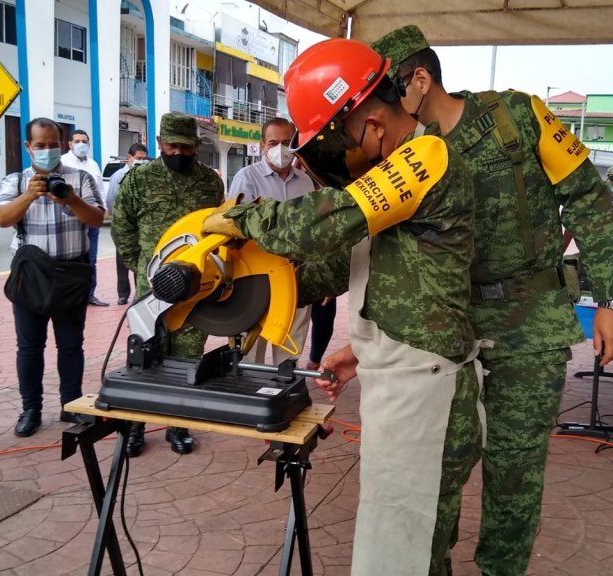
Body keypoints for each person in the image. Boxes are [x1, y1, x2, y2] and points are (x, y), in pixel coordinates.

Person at [201, 38, 482, 576]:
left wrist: (239, 219)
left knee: (397, 551)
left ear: (372, 124)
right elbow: (341, 268)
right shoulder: (391, 183)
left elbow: (322, 222)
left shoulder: (428, 156)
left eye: (337, 143)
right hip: (404, 376)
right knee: (410, 545)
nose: (336, 161)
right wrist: (248, 292)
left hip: (425, 388)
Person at [371, 25, 613, 576]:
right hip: (447, 328)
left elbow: (587, 200)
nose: (382, 110)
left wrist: (611, 300)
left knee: (515, 471)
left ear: (420, 80)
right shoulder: (405, 153)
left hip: (529, 325)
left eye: (388, 93)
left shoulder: (518, 115)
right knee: (437, 465)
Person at [112, 112, 224, 457]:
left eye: (186, 147)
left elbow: (217, 228)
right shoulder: (139, 179)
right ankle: (134, 428)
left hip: (197, 286)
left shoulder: (210, 182)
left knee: (188, 357)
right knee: (145, 354)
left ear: (196, 145)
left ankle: (178, 425)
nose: (178, 153)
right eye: (172, 146)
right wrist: (140, 265)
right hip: (152, 286)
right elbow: (122, 226)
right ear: (159, 143)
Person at [0, 117, 106, 437]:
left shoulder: (81, 178)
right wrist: (29, 196)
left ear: (62, 145)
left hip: (71, 274)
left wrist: (71, 199)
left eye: (52, 144)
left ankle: (71, 404)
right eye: (40, 145)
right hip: (31, 277)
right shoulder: (16, 181)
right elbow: (2, 218)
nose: (47, 150)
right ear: (28, 147)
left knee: (71, 345)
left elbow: (97, 219)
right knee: (29, 347)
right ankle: (30, 409)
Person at [227, 117, 319, 367]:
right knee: (251, 344)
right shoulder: (247, 178)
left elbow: (312, 228)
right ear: (262, 145)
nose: (281, 148)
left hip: (296, 274)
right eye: (273, 142)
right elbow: (233, 227)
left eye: (287, 142)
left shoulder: (305, 182)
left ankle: (286, 382)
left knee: (290, 341)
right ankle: (250, 386)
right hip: (256, 278)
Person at [61, 129, 108, 307]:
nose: (81, 144)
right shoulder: (63, 163)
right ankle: (72, 295)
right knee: (72, 259)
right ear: (70, 144)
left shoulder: (93, 165)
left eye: (85, 141)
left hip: (91, 219)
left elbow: (100, 189)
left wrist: (103, 209)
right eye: (77, 141)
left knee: (91, 259)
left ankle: (89, 294)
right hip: (70, 220)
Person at [105, 143, 149, 305]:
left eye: (144, 159)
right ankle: (123, 294)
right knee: (122, 260)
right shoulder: (118, 176)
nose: (141, 162)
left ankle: (140, 293)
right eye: (138, 158)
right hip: (123, 226)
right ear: (129, 158)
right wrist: (117, 218)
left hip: (142, 226)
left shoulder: (148, 176)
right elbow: (110, 200)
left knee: (141, 259)